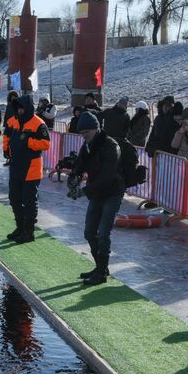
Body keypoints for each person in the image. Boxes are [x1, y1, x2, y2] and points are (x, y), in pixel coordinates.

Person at [69, 110, 122, 283]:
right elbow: (79, 165)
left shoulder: (110, 146)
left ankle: (101, 274)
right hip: (96, 193)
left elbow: (106, 176)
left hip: (112, 192)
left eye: (87, 132)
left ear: (96, 129)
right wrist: (74, 177)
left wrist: (84, 191)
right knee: (89, 232)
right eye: (82, 133)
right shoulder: (87, 146)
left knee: (103, 233)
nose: (84, 136)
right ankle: (101, 267)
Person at [6, 96, 52, 246]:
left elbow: (46, 144)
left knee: (29, 201)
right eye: (17, 108)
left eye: (21, 108)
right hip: (16, 166)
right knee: (14, 198)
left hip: (31, 167)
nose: (19, 110)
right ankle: (20, 228)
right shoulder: (14, 120)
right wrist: (6, 149)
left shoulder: (39, 123)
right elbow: (7, 135)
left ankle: (29, 231)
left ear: (27, 108)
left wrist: (28, 142)